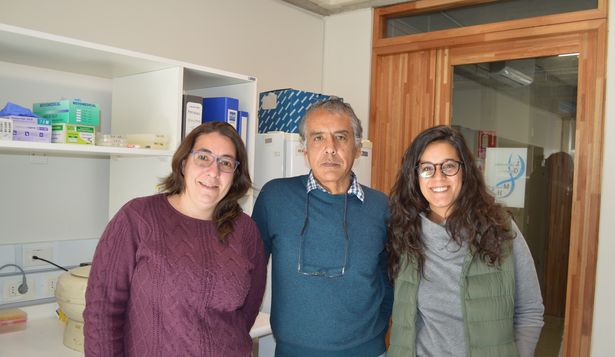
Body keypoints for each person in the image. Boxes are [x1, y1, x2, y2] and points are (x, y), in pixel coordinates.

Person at [84, 122, 267, 357]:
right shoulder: (138, 218)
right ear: (183, 163)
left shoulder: (246, 230)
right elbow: (102, 312)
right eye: (203, 157)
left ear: (235, 175)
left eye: (226, 163)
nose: (214, 172)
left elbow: (246, 313)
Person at [386, 125, 544, 357]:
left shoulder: (499, 229)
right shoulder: (403, 232)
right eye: (427, 168)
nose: (438, 177)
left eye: (449, 166)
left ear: (465, 171)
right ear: (415, 175)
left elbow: (530, 309)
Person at [252, 98, 393, 357]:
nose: (330, 149)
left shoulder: (381, 207)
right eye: (318, 138)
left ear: (357, 147)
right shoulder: (275, 198)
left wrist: (371, 338)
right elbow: (248, 272)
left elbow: (390, 281)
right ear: (304, 149)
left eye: (341, 137)